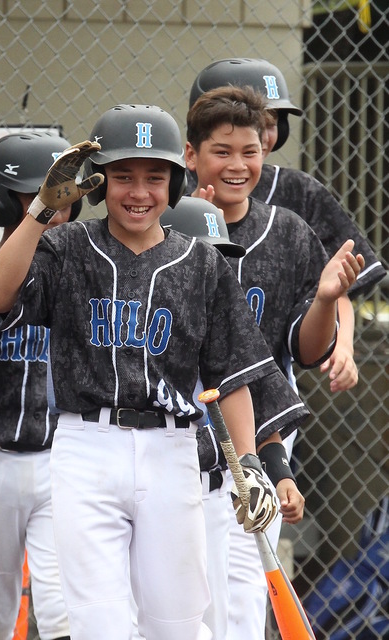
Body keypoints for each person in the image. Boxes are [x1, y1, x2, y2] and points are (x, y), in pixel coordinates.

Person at [0, 103, 310, 640]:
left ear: (175, 183)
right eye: (123, 176)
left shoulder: (201, 263)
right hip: (87, 445)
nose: (138, 192)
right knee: (99, 623)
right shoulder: (66, 247)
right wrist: (40, 210)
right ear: (99, 181)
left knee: (175, 625)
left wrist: (248, 463)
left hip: (171, 451)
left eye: (154, 177)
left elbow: (232, 375)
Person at [185, 85, 365, 640]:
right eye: (222, 151)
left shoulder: (286, 231)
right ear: (190, 156)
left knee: (240, 593)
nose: (238, 166)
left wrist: (328, 300)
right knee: (186, 594)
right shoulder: (164, 226)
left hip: (260, 431)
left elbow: (306, 353)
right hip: (175, 428)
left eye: (250, 152)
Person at [187, 57, 386, 393]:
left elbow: (332, 283)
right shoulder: (172, 195)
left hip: (269, 375)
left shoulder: (295, 199)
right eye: (258, 118)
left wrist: (345, 345)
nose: (265, 132)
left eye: (272, 120)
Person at [0, 131, 77, 640]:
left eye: (60, 195)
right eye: (37, 196)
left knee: (62, 611)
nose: (52, 206)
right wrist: (0, 293)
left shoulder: (80, 265)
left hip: (62, 456)